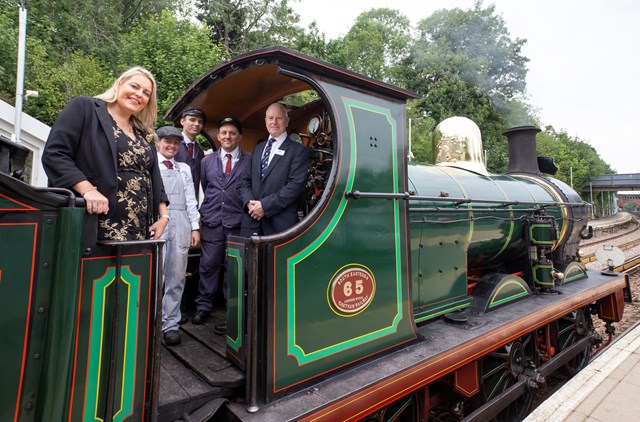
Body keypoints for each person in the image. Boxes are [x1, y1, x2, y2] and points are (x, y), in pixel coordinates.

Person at [42, 67, 169, 241]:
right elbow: (55, 154)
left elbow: (154, 176)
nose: (139, 94)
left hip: (139, 227)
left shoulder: (143, 131)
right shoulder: (86, 108)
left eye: (146, 93)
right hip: (97, 224)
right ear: (119, 84)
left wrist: (164, 216)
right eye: (134, 86)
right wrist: (87, 190)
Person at [192, 117, 251, 330]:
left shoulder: (250, 160)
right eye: (224, 132)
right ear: (218, 136)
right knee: (208, 266)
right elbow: (206, 187)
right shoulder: (206, 162)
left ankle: (232, 310)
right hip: (213, 222)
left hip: (237, 223)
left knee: (233, 268)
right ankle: (203, 306)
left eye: (232, 133)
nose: (228, 136)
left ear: (239, 137)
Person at [155, 126, 201, 346]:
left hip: (181, 221)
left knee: (176, 276)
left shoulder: (184, 168)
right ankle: (148, 322)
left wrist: (194, 227)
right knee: (154, 276)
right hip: (156, 221)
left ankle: (170, 324)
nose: (171, 146)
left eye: (175, 143)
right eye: (167, 142)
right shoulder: (150, 165)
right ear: (158, 142)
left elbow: (191, 199)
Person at [239, 103, 309, 237]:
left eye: (279, 118)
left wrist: (265, 206)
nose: (274, 122)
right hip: (251, 221)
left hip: (280, 226)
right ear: (265, 122)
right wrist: (249, 203)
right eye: (270, 118)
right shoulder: (258, 148)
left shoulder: (298, 151)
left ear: (287, 121)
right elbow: (245, 180)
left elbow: (295, 186)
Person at [176, 108, 206, 201]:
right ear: (182, 121)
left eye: (200, 121)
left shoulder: (199, 151)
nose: (196, 124)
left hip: (192, 203)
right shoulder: (172, 145)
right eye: (192, 120)